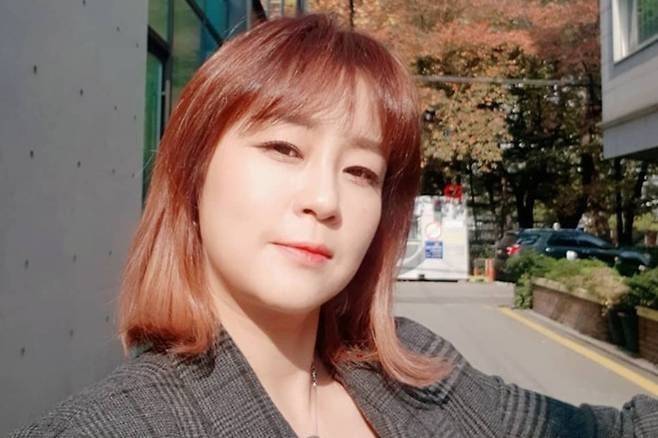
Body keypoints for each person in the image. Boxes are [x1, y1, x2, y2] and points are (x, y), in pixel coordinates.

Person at [12, 14, 658, 438]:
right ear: (192, 171)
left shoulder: (416, 375)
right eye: (283, 148)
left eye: (361, 171)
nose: (325, 199)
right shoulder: (115, 426)